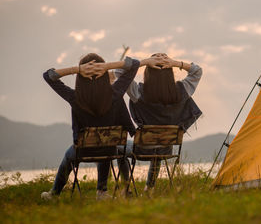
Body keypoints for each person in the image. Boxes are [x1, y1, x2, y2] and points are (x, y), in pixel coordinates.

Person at [41, 53, 163, 200]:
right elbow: (134, 65)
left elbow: (48, 76)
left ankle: (54, 193)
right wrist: (106, 67)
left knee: (69, 155)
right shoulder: (115, 93)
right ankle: (102, 191)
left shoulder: (75, 97)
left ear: (81, 77)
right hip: (109, 150)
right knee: (106, 145)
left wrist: (77, 69)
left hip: (83, 150)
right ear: (104, 74)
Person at [115, 53, 203, 191]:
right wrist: (175, 63)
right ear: (170, 72)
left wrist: (145, 62)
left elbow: (119, 71)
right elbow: (197, 71)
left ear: (148, 72)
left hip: (142, 149)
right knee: (158, 146)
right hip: (166, 148)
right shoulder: (182, 91)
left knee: (118, 148)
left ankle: (126, 188)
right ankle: (149, 189)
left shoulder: (138, 92)